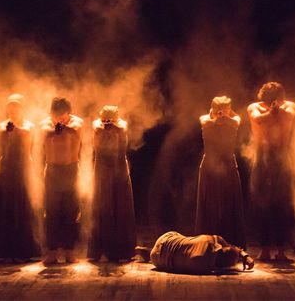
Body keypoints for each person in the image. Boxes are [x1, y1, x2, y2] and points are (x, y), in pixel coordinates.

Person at [247, 82, 295, 261]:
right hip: (262, 157)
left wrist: (277, 109)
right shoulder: (254, 107)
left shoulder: (289, 106)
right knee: (262, 203)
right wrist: (271, 111)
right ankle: (266, 248)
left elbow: (289, 115)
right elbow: (258, 119)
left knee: (283, 204)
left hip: (281, 156)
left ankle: (282, 249)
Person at [0, 94, 40, 261]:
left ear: (22, 108)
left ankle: (24, 250)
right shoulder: (1, 126)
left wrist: (15, 129)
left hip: (24, 168)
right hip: (7, 168)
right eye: (10, 106)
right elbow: (1, 136)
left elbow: (27, 135)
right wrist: (9, 130)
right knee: (7, 208)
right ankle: (7, 251)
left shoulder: (29, 126)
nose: (13, 109)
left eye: (16, 106)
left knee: (23, 207)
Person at [195, 96, 246, 249]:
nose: (221, 111)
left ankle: (231, 242)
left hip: (228, 163)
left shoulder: (235, 118)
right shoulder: (204, 118)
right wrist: (218, 118)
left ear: (230, 109)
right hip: (210, 164)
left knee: (229, 201)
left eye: (225, 108)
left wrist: (225, 117)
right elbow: (207, 122)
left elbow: (235, 121)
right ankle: (208, 242)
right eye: (218, 108)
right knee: (209, 202)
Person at [88, 106, 136, 262]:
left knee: (120, 208)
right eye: (104, 119)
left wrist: (112, 126)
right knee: (102, 208)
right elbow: (96, 127)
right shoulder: (97, 125)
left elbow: (122, 129)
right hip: (102, 170)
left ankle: (122, 250)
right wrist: (105, 126)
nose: (106, 122)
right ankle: (101, 250)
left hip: (119, 169)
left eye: (110, 119)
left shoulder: (122, 125)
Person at [40, 97, 83, 264]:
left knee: (71, 213)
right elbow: (46, 133)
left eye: (62, 115)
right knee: (52, 213)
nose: (59, 118)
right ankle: (52, 251)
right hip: (52, 171)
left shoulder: (77, 122)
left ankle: (69, 251)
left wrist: (62, 127)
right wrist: (56, 129)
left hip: (71, 170)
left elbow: (75, 130)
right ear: (51, 113)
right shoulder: (46, 123)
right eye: (55, 115)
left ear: (68, 113)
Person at [135, 231, 253, 274]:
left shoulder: (210, 240)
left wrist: (244, 255)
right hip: (158, 261)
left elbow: (228, 246)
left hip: (166, 239)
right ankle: (148, 254)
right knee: (177, 257)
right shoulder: (204, 268)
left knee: (181, 243)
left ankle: (147, 250)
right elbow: (220, 266)